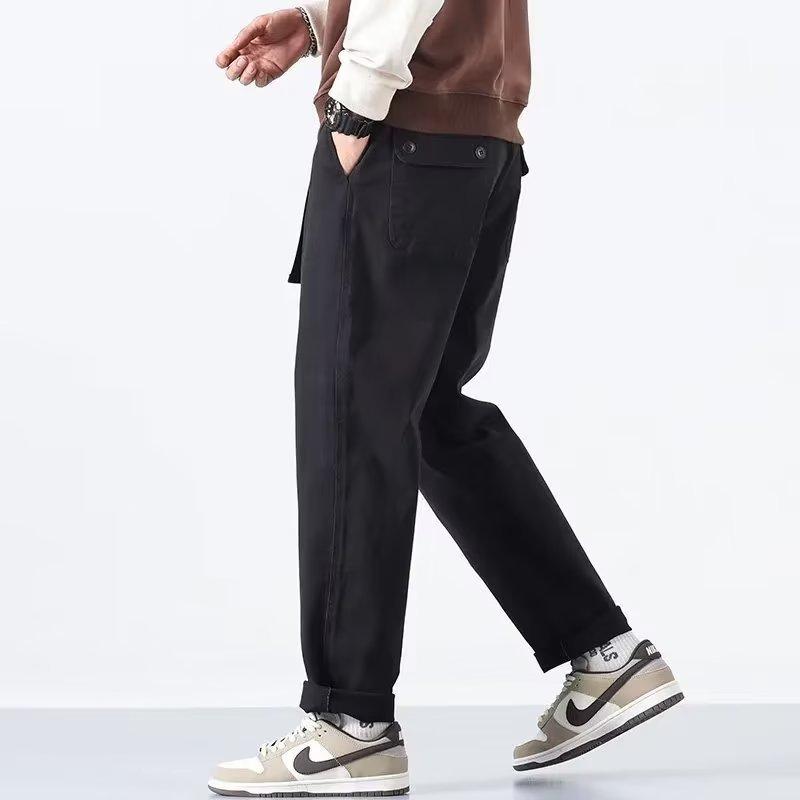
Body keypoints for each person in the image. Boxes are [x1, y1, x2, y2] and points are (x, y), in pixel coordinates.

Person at [208, 2, 682, 795]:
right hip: (474, 137)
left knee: (352, 419)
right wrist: (324, 27)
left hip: (402, 130)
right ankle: (603, 654)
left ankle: (350, 724)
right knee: (425, 413)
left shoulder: (377, 106)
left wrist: (357, 95)